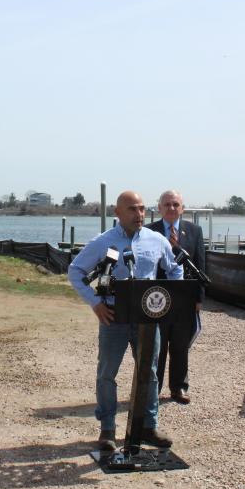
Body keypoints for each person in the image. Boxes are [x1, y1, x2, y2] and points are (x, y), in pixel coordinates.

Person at [68, 190, 183, 452]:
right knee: (107, 374)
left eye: (142, 208)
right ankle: (107, 429)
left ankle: (148, 426)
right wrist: (95, 303)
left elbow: (176, 268)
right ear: (117, 213)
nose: (139, 214)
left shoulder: (157, 240)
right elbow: (75, 271)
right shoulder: (103, 242)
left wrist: (171, 297)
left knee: (150, 373)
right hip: (114, 317)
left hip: (147, 319)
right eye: (132, 209)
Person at [146, 190, 206, 405]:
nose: (171, 208)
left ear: (182, 208)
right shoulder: (148, 231)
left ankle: (179, 387)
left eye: (175, 204)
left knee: (180, 345)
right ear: (159, 208)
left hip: (185, 297)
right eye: (167, 204)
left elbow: (200, 263)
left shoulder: (194, 231)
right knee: (157, 346)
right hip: (157, 297)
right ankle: (153, 388)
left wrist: (199, 298)